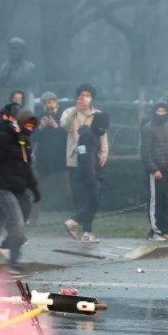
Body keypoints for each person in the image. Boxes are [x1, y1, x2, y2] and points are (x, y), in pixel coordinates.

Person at [0, 109, 40, 276]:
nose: (30, 128)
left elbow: (26, 167)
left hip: (16, 188)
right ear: (20, 123)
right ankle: (13, 263)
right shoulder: (3, 138)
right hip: (1, 187)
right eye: (27, 124)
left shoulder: (24, 142)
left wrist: (34, 187)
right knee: (17, 222)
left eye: (32, 125)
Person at [60, 84, 109, 211]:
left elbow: (103, 135)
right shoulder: (69, 112)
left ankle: (86, 221)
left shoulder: (98, 114)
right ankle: (78, 217)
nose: (84, 98)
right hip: (74, 158)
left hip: (93, 158)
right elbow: (64, 125)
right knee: (76, 191)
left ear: (92, 98)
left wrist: (104, 153)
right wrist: (76, 110)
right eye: (81, 95)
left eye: (87, 96)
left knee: (93, 190)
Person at [63, 112, 109, 243]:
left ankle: (85, 231)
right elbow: (85, 157)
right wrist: (91, 175)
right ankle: (76, 223)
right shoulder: (88, 136)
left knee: (92, 203)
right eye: (102, 128)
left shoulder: (93, 135)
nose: (103, 131)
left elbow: (91, 155)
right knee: (91, 203)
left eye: (106, 129)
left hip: (93, 173)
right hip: (88, 175)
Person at [138, 102, 168, 241]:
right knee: (155, 202)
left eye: (163, 110)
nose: (161, 113)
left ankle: (164, 231)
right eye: (158, 110)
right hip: (156, 172)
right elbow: (145, 152)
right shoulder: (148, 129)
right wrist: (154, 169)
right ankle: (154, 232)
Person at [35, 91, 69, 211]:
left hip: (61, 156)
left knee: (67, 186)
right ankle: (33, 217)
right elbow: (33, 138)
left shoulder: (65, 115)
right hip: (44, 157)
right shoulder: (39, 117)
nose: (49, 104)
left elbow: (70, 136)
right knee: (38, 188)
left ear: (56, 101)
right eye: (45, 102)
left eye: (51, 101)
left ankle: (76, 214)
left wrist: (56, 127)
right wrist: (41, 127)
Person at [0, 38, 36, 110]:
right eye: (11, 48)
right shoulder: (3, 67)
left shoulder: (30, 67)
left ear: (22, 50)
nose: (13, 51)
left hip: (24, 103)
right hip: (6, 103)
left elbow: (33, 87)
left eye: (16, 48)